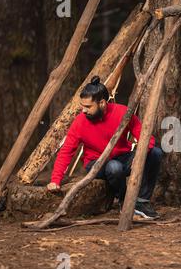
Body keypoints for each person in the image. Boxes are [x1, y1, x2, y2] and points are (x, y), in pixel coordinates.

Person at [47, 75, 163, 219]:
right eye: (82, 106)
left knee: (155, 153)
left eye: (88, 106)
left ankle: (141, 202)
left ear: (102, 103)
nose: (83, 110)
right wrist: (55, 180)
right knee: (113, 167)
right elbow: (66, 151)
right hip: (96, 162)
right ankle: (124, 201)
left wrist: (140, 153)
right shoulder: (80, 122)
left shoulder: (123, 113)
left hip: (122, 157)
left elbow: (146, 137)